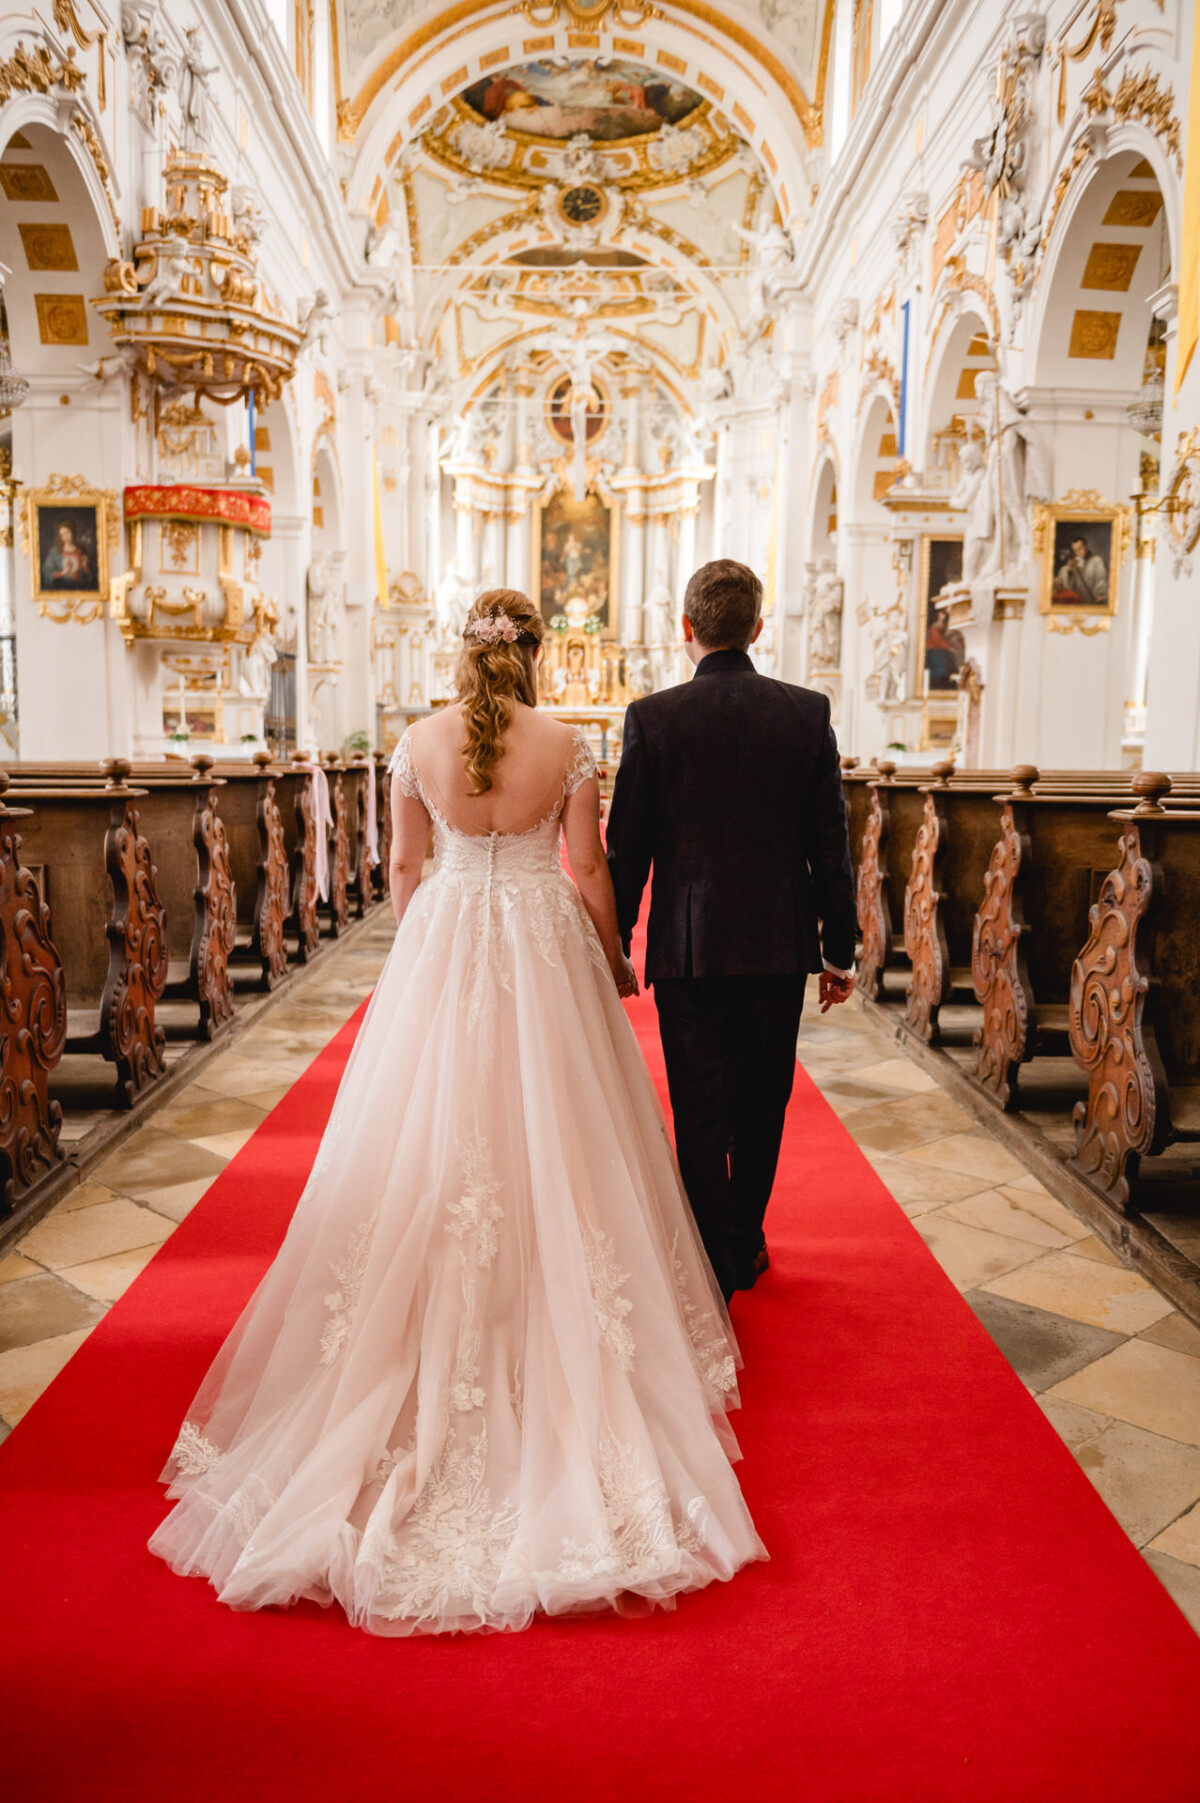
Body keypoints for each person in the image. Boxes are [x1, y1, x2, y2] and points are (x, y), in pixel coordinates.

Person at [149, 587, 764, 1636]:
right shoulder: (566, 743)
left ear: (466, 651)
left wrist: (428, 941)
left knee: (431, 1141)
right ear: (534, 653)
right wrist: (611, 955)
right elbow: (588, 866)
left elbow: (403, 867)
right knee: (562, 1138)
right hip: (542, 944)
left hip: (446, 940)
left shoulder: (418, 742)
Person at [606, 559, 858, 1302]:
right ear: (758, 627)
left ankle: (711, 1255)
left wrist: (614, 940)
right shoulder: (806, 712)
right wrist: (838, 950)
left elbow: (628, 848)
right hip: (779, 945)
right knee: (763, 1101)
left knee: (699, 1106)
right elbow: (831, 844)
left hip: (687, 947)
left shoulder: (653, 717)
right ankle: (743, 1241)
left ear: (685, 627)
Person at [1054, 533, 1109, 606]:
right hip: (1077, 602)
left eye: (1080, 549)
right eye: (1075, 550)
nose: (1077, 553)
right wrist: (1069, 570)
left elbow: (1101, 579)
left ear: (1085, 547)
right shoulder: (1073, 563)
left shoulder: (1096, 561)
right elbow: (1067, 586)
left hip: (1092, 601)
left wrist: (1100, 595)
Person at [42, 522, 91, 589]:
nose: (66, 536)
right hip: (62, 588)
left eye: (67, 532)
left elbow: (90, 576)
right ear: (61, 537)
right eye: (63, 534)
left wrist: (85, 566)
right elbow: (47, 573)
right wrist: (62, 573)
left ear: (72, 532)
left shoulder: (82, 551)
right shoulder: (54, 553)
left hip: (80, 588)